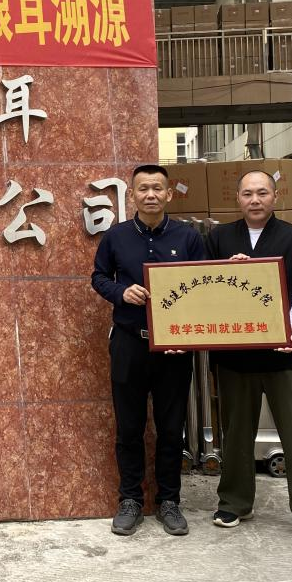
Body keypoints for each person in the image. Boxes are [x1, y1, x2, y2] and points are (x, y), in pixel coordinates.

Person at [204, 170, 292, 545]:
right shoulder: (219, 239)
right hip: (235, 357)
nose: (255, 200)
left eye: (262, 193)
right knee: (235, 435)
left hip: (283, 358)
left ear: (275, 197)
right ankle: (234, 502)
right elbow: (202, 287)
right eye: (247, 194)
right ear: (238, 199)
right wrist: (226, 273)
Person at [91, 164, 204, 536]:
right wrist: (121, 292)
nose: (151, 194)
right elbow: (99, 277)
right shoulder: (116, 236)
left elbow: (204, 285)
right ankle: (130, 500)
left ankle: (169, 501)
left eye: (157, 188)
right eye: (143, 189)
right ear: (132, 195)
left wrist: (186, 334)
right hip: (129, 342)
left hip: (175, 347)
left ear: (169, 194)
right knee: (129, 427)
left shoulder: (188, 237)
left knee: (171, 428)